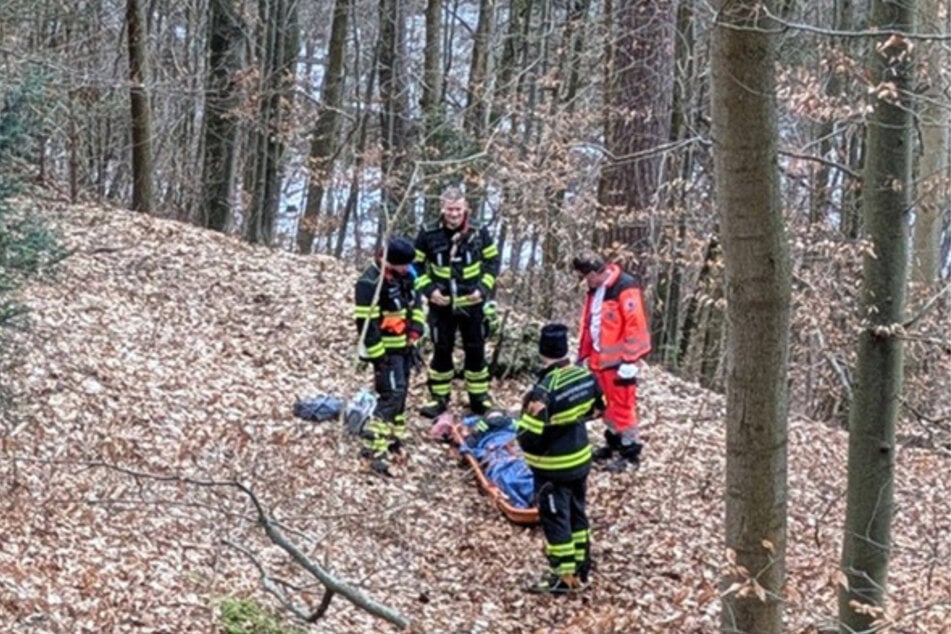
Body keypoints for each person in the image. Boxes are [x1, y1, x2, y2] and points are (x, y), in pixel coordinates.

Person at [517, 323, 604, 594]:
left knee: (556, 520)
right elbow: (599, 409)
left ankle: (563, 578)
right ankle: (582, 565)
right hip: (580, 459)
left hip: (552, 468)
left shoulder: (543, 390)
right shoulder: (585, 376)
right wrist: (571, 419)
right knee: (578, 512)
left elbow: (528, 436)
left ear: (542, 351)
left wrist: (527, 422)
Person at [414, 186, 500, 417]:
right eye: (450, 209)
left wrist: (482, 289)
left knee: (476, 350)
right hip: (441, 304)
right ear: (442, 208)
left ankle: (479, 398)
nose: (454, 214)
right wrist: (429, 290)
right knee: (442, 350)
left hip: (472, 303)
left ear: (466, 208)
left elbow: (493, 262)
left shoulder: (479, 231)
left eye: (458, 209)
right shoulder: (428, 232)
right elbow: (415, 265)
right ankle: (439, 398)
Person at [572, 250, 652, 472]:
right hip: (600, 359)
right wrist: (584, 355)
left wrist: (630, 360)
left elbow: (635, 325)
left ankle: (630, 452)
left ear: (594, 273)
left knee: (623, 407)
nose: (586, 282)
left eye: (586, 277)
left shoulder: (624, 287)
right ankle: (613, 443)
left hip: (619, 362)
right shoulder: (596, 290)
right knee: (605, 405)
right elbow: (592, 323)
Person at [353, 236, 425, 476]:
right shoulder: (369, 282)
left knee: (401, 395)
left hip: (405, 347)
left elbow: (416, 305)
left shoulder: (408, 275)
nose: (408, 268)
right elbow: (366, 325)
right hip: (385, 351)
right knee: (391, 395)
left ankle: (394, 438)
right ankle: (374, 448)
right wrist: (378, 357)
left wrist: (416, 329)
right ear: (390, 262)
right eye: (404, 265)